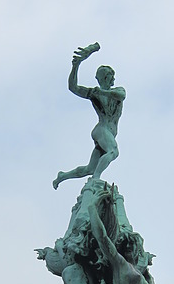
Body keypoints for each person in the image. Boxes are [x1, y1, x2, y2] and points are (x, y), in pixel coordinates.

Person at [53, 44, 126, 189]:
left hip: (107, 133)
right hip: (102, 129)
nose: (113, 79)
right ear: (106, 77)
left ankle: (63, 176)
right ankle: (96, 179)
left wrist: (100, 92)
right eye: (111, 76)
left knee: (90, 168)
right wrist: (76, 65)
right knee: (113, 151)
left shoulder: (116, 90)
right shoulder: (94, 93)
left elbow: (121, 95)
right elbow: (73, 88)